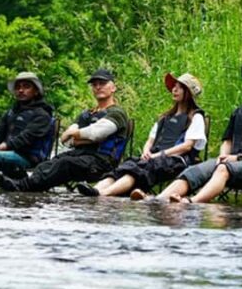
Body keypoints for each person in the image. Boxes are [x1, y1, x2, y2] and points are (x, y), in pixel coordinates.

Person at [157, 61, 242, 203]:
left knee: (222, 168)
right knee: (194, 170)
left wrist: (238, 158)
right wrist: (223, 155)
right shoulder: (239, 112)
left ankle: (192, 202)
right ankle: (157, 200)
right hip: (231, 162)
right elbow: (227, 141)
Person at [0, 69, 129, 192]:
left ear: (113, 88)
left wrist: (79, 136)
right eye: (95, 85)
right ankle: (23, 184)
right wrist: (80, 138)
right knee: (50, 162)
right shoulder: (87, 114)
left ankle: (21, 187)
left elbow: (96, 134)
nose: (98, 87)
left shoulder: (117, 113)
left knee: (65, 164)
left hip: (101, 163)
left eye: (102, 83)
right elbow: (66, 139)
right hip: (81, 156)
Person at [76, 72, 206, 198]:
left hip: (176, 160)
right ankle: (95, 189)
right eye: (174, 86)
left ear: (188, 93)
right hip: (154, 157)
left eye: (180, 87)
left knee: (140, 170)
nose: (174, 89)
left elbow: (187, 146)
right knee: (128, 165)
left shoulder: (195, 117)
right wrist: (146, 152)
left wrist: (158, 155)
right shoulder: (165, 117)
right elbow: (151, 140)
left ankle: (103, 194)